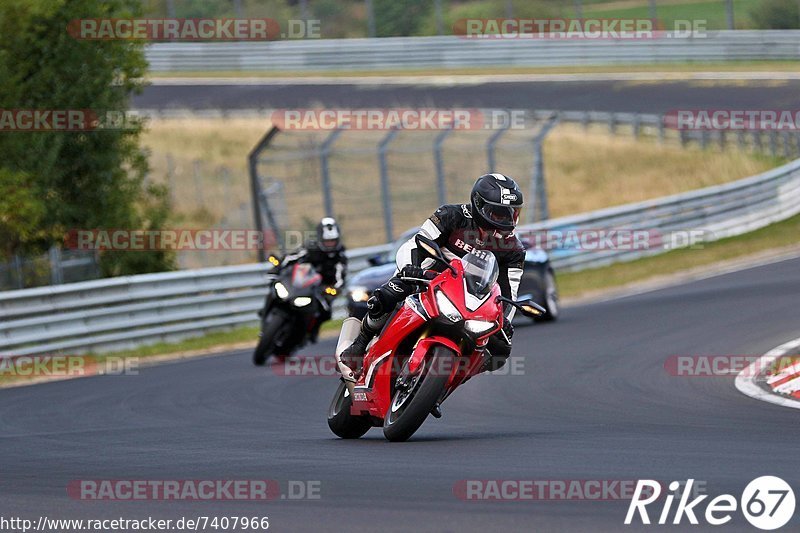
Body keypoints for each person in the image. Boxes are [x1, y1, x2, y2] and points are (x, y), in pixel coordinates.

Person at [340, 173, 525, 374]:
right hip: (425, 272)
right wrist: (412, 271)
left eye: (512, 213)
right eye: (499, 213)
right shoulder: (451, 215)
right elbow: (420, 242)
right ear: (480, 205)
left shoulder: (514, 250)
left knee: (500, 352)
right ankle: (359, 344)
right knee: (390, 294)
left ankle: (440, 390)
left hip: (466, 295)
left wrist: (502, 321)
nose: (506, 220)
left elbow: (509, 292)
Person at [278, 217, 347, 342]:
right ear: (320, 239)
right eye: (327, 241)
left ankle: (312, 331)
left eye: (333, 241)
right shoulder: (310, 248)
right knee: (278, 287)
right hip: (303, 281)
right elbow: (291, 257)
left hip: (323, 288)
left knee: (325, 311)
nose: (330, 244)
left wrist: (335, 288)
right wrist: (279, 266)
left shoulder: (340, 256)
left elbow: (340, 278)